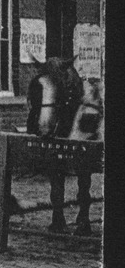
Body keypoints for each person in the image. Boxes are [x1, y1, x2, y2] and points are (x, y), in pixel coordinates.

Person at [27, 53, 88, 235]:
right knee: (55, 168)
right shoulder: (45, 84)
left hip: (75, 122)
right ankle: (57, 215)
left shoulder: (73, 86)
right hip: (55, 124)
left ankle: (84, 214)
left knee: (84, 170)